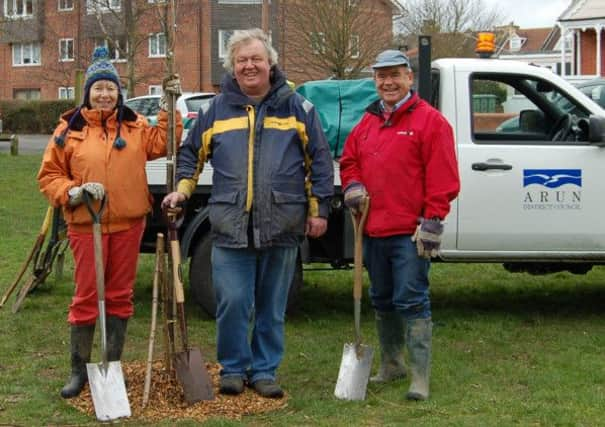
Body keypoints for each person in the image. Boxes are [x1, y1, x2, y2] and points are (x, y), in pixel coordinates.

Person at [162, 28, 333, 398]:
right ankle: (234, 368)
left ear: (271, 63)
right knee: (233, 303)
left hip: (282, 225)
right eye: (242, 60)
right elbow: (190, 154)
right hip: (229, 225)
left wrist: (318, 209)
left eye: (256, 59)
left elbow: (319, 161)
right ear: (233, 67)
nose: (249, 66)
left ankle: (265, 370)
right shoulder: (215, 111)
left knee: (273, 306)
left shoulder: (298, 108)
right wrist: (182, 189)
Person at [37, 46, 182, 399]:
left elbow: (167, 142)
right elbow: (49, 175)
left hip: (128, 226)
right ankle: (79, 371)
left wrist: (169, 106)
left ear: (120, 93)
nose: (104, 95)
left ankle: (111, 366)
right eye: (98, 88)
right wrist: (73, 191)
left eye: (111, 89)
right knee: (87, 295)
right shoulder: (68, 130)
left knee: (119, 296)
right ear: (88, 92)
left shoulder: (134, 126)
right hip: (87, 227)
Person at [339, 49, 460, 401]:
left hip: (410, 232)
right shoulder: (367, 123)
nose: (388, 82)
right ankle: (392, 365)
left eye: (395, 75)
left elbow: (444, 177)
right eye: (381, 76)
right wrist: (353, 185)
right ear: (374, 81)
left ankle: (419, 378)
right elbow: (350, 162)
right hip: (372, 230)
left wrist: (433, 220)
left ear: (409, 78)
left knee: (411, 299)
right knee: (382, 298)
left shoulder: (430, 121)